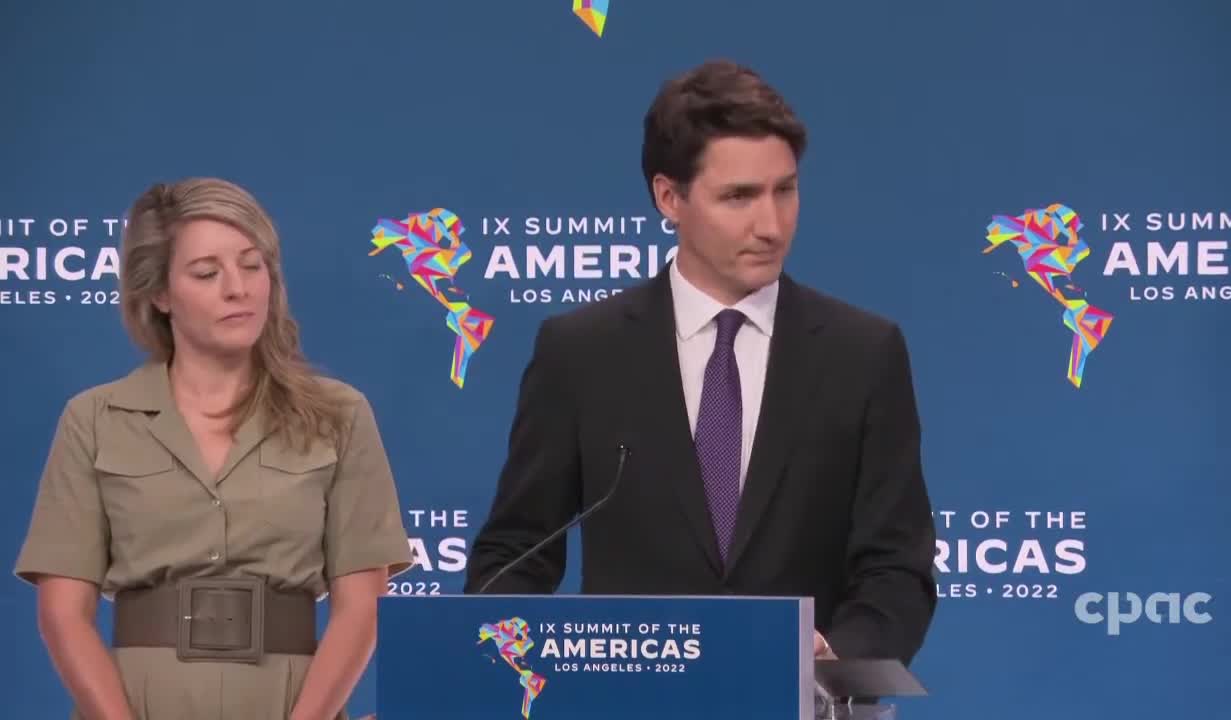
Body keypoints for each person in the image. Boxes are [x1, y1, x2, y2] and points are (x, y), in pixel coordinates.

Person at [464, 59, 937, 665]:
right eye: (739, 196)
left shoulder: (863, 353)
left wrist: (831, 656)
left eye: (784, 190)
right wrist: (532, 661)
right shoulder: (582, 352)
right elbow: (514, 555)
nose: (770, 224)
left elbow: (898, 571)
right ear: (669, 197)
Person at [13, 177, 413, 719]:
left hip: (292, 701)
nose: (238, 288)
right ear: (158, 293)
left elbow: (362, 606)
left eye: (252, 266)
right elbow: (62, 614)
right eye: (207, 273)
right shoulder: (94, 419)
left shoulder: (339, 415)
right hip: (135, 702)